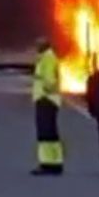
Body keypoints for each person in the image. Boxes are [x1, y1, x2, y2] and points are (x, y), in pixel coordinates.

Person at [31, 37, 65, 176]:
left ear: (44, 46)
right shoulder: (46, 57)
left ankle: (46, 164)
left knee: (45, 134)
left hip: (46, 99)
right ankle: (56, 162)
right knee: (51, 133)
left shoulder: (48, 58)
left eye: (38, 45)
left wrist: (45, 90)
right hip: (49, 99)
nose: (36, 47)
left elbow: (49, 80)